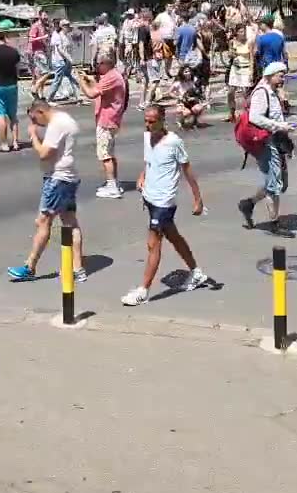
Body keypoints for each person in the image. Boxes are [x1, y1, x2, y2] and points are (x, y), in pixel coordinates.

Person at [121, 104, 207, 306]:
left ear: (162, 120)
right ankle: (197, 272)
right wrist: (142, 176)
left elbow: (187, 170)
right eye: (146, 121)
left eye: (152, 121)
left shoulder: (174, 142)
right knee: (174, 237)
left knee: (153, 244)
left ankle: (143, 290)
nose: (148, 125)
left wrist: (198, 199)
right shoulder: (147, 137)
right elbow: (149, 161)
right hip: (150, 197)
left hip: (164, 201)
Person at [7, 98, 86, 283]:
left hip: (58, 178)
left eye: (35, 119)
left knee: (43, 221)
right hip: (68, 176)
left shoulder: (56, 124)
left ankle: (30, 266)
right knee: (70, 222)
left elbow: (44, 153)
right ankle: (77, 267)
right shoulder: (65, 119)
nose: (36, 124)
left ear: (40, 112)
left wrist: (34, 136)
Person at [238, 61, 292, 235]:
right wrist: (277, 125)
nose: (283, 79)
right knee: (275, 184)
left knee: (280, 183)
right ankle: (274, 223)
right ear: (270, 75)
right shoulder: (262, 93)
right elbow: (255, 117)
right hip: (266, 142)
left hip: (277, 140)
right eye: (280, 75)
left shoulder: (273, 92)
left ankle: (249, 203)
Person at [78, 53, 126, 198]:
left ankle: (112, 186)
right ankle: (113, 182)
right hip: (111, 119)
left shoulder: (112, 76)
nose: (97, 67)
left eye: (98, 64)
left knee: (105, 155)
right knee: (110, 153)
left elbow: (92, 93)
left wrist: (81, 82)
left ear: (106, 63)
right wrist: (90, 80)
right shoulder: (112, 76)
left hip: (107, 120)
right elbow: (99, 89)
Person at [47, 19, 80, 104]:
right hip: (60, 61)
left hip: (66, 61)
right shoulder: (58, 35)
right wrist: (68, 58)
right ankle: (49, 99)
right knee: (57, 80)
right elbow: (60, 49)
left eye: (69, 25)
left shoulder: (67, 35)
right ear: (62, 26)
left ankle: (78, 97)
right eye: (66, 25)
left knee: (72, 78)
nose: (68, 27)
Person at [226, 24, 254, 121]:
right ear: (237, 32)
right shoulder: (232, 42)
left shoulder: (249, 42)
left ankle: (247, 113)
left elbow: (251, 57)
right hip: (235, 68)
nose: (243, 33)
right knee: (230, 92)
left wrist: (252, 71)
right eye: (241, 31)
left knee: (246, 93)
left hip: (246, 69)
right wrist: (231, 53)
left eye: (244, 31)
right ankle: (231, 111)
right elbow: (229, 55)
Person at [27, 12, 50, 81]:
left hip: (41, 50)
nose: (47, 17)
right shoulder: (35, 26)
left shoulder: (43, 26)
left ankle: (35, 88)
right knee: (43, 72)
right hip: (35, 52)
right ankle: (39, 90)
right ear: (39, 16)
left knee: (37, 72)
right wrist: (43, 37)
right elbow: (30, 39)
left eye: (47, 15)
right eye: (44, 15)